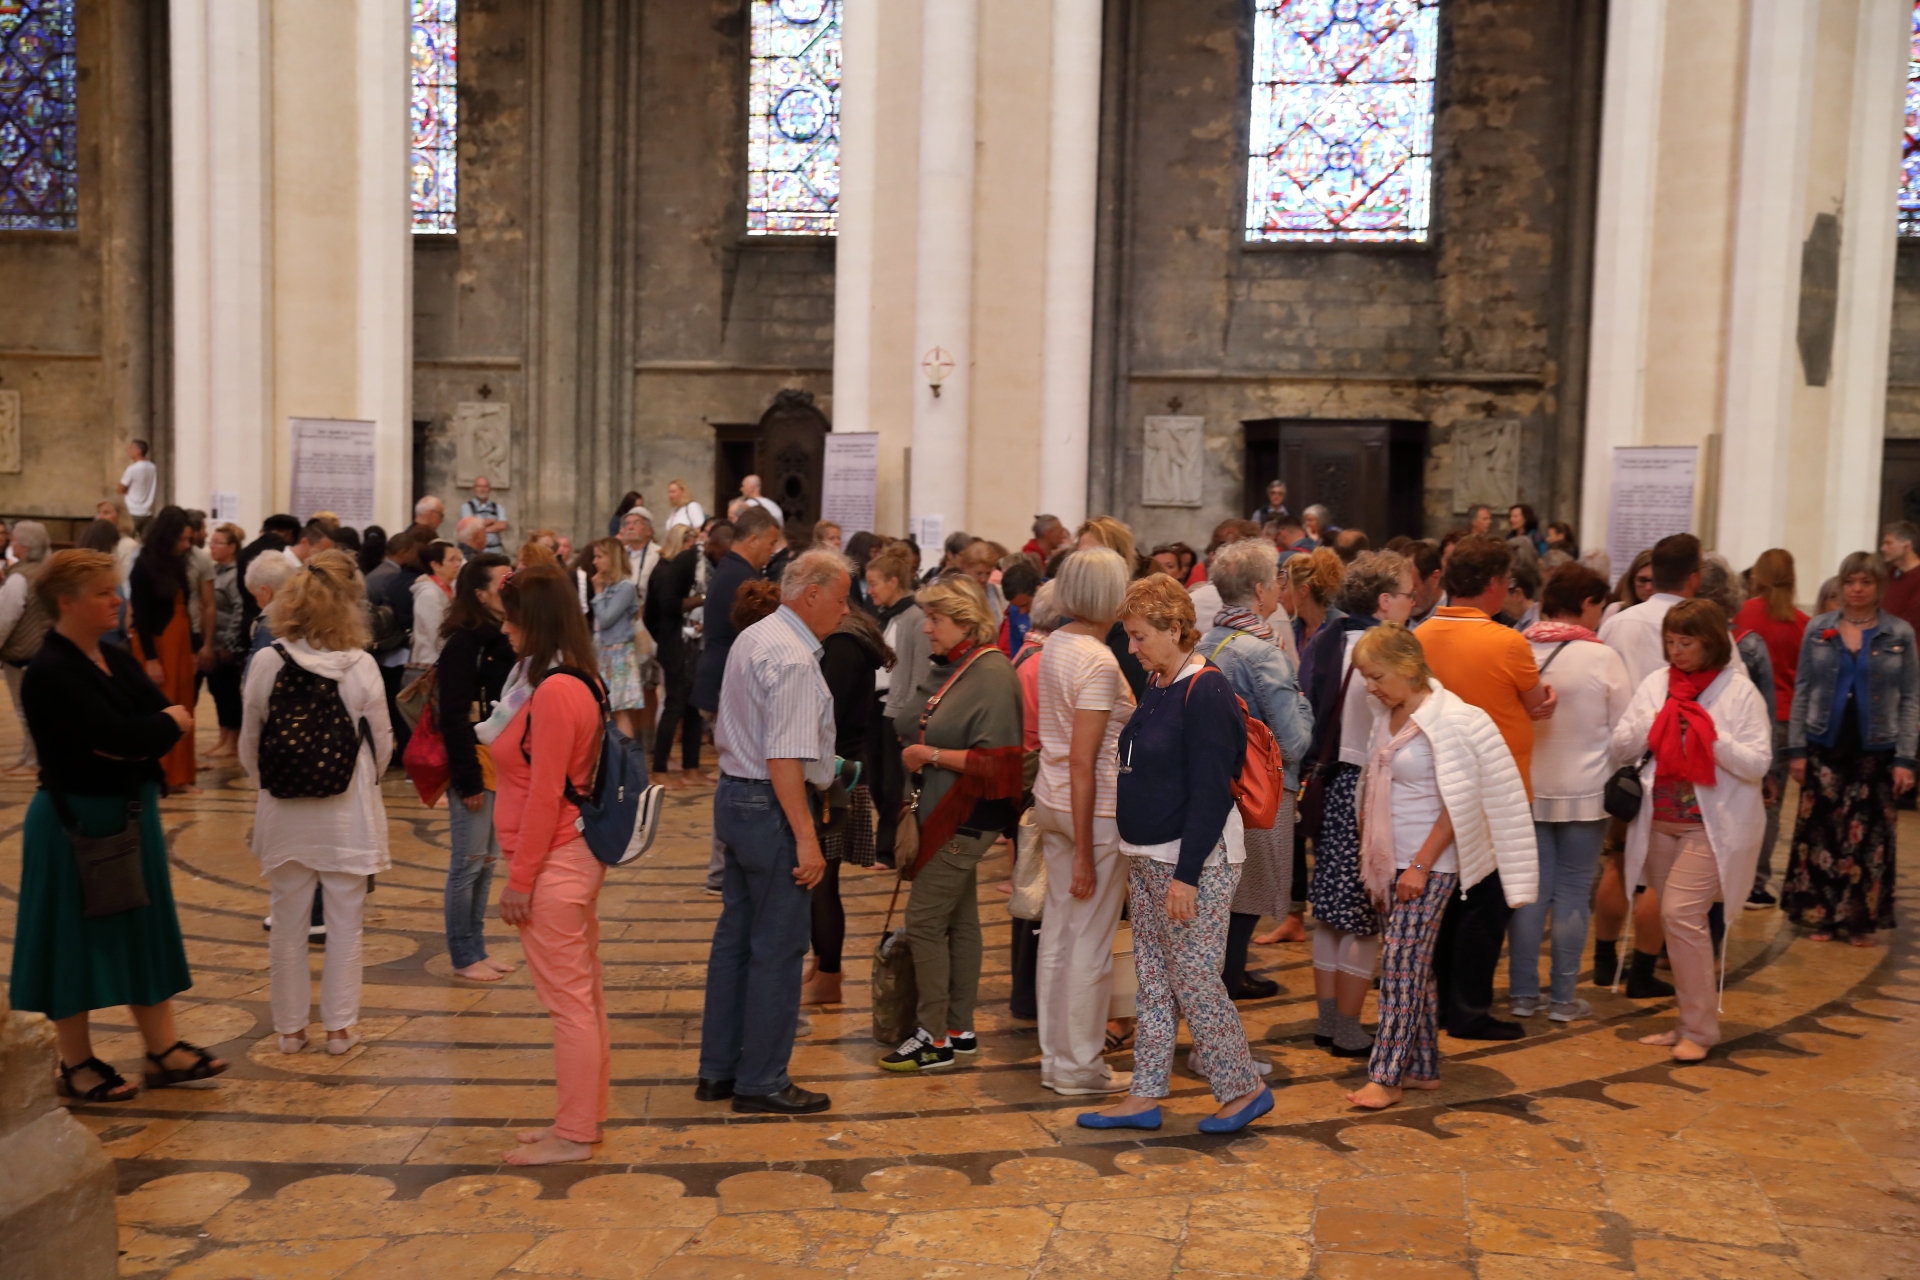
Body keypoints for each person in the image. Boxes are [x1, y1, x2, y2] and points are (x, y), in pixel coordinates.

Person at [9, 550, 227, 1103]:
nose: (117, 601)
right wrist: (147, 730)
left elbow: (155, 719)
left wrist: (144, 731)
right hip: (74, 820)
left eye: (115, 589)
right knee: (70, 942)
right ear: (67, 602)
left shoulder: (113, 656)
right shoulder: (50, 670)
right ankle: (76, 1063)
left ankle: (163, 1049)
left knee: (144, 934)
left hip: (130, 810)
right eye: (105, 592)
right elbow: (130, 733)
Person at [1077, 576, 1271, 1135]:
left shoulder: (1205, 689)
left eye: (1139, 637)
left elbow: (1213, 789)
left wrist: (1186, 876)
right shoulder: (1163, 680)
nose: (1132, 649)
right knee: (1155, 980)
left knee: (1195, 979)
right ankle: (1144, 1095)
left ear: (1174, 629)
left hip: (1195, 863)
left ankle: (1243, 1088)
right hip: (1149, 855)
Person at [1343, 623, 1535, 1109]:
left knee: (1400, 969)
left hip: (1428, 865)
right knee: (1415, 967)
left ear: (1409, 668)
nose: (1370, 685)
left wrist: (1421, 866)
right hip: (1389, 862)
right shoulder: (1384, 711)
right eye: (1366, 676)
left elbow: (1461, 803)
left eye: (1377, 675)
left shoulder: (1454, 719)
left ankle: (1385, 1077)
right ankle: (1423, 1067)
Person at [698, 549, 850, 1115]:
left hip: (735, 796)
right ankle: (761, 1080)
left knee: (735, 940)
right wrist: (806, 839)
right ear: (810, 593)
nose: (844, 610)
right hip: (769, 804)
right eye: (839, 599)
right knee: (780, 948)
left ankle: (719, 1070)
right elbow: (786, 758)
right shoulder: (790, 657)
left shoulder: (755, 636)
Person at [240, 551, 393, 1060]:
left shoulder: (267, 660)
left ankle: (288, 1031)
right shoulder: (362, 665)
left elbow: (249, 744)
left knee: (287, 924)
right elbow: (384, 743)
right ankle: (339, 1030)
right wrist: (362, 778)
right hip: (346, 811)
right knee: (346, 923)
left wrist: (276, 781)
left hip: (285, 814)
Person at [489, 564, 613, 1163]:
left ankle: (573, 1135)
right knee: (581, 998)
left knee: (569, 1005)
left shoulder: (558, 689)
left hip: (555, 862)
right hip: (567, 854)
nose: (506, 630)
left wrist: (519, 879)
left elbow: (546, 793)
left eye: (512, 619)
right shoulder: (564, 676)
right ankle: (582, 1116)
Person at [1406, 534, 1552, 1040]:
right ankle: (1468, 1010)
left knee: (1445, 900)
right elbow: (1536, 702)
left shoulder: (1420, 634)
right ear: (1493, 584)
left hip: (1435, 783)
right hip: (1495, 787)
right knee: (1485, 906)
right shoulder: (1509, 641)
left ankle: (1445, 1004)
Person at [1612, 599, 1771, 1060]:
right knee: (1676, 920)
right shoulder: (1657, 684)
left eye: (1687, 642)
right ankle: (1687, 1021)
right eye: (1671, 642)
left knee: (1681, 914)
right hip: (1659, 821)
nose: (1676, 651)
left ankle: (1700, 1031)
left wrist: (1710, 740)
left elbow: (1759, 762)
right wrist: (1657, 720)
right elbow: (1621, 745)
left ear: (1711, 643)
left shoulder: (1738, 692)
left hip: (1710, 824)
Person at [881, 575, 1024, 1072]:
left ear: (964, 621)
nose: (926, 629)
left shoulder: (992, 673)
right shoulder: (955, 666)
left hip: (965, 816)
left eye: (935, 620)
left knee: (923, 921)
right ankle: (959, 1029)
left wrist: (931, 754)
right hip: (941, 811)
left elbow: (1003, 764)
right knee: (959, 919)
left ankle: (933, 1035)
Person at [1298, 551, 1414, 1055]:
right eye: (1408, 595)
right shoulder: (1384, 648)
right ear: (1385, 600)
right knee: (1366, 917)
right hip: (1367, 787)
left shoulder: (1325, 637)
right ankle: (1347, 1028)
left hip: (1326, 781)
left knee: (1328, 913)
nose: (1412, 605)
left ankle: (1327, 1021)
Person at [1031, 548, 1136, 1094]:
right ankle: (1079, 1068)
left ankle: (1056, 1059)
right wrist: (1080, 854)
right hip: (1090, 815)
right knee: (1090, 943)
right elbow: (1084, 760)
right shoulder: (1098, 660)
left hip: (1052, 802)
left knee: (1059, 936)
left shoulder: (1056, 644)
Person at [1510, 564, 1630, 1021]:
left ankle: (1522, 995)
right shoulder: (1602, 658)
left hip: (1526, 789)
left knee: (1529, 893)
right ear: (1586, 605)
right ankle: (1562, 999)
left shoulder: (1519, 647)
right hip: (1586, 791)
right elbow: (1625, 732)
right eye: (1599, 606)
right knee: (1573, 892)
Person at [1784, 551, 1919, 945]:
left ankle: (1859, 918)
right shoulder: (1819, 628)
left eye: (1865, 582)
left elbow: (1911, 697)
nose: (1856, 590)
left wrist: (1907, 759)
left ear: (1879, 587)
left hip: (1877, 749)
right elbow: (1803, 689)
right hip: (1824, 743)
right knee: (1824, 831)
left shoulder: (1900, 633)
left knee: (1869, 838)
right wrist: (1795, 749)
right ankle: (1823, 914)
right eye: (1849, 582)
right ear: (1840, 585)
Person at [1201, 538, 1315, 1000]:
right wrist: (1304, 702)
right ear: (1261, 589)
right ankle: (1221, 1024)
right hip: (1256, 796)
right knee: (1241, 909)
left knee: (1220, 910)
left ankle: (1217, 1003)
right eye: (1276, 580)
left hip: (1214, 789)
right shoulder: (1263, 652)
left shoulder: (1207, 640)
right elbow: (1293, 742)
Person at [801, 607, 893, 1006]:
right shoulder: (848, 643)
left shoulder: (840, 647)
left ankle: (830, 976)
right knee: (819, 882)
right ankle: (822, 965)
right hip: (839, 770)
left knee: (821, 884)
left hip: (833, 776)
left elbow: (825, 715)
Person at [435, 553, 516, 982]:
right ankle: (463, 955)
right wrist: (465, 778)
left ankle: (477, 947)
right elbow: (454, 717)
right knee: (466, 864)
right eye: (504, 582)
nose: (511, 586)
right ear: (481, 593)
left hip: (499, 764)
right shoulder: (465, 643)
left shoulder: (503, 638)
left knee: (486, 863)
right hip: (474, 768)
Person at [1734, 548, 1809, 908]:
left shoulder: (1740, 615)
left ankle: (1728, 872)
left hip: (1741, 716)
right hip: (1783, 719)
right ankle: (1757, 883)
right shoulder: (1803, 624)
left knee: (1735, 797)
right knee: (1772, 803)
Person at [128, 507, 200, 792]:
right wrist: (151, 658)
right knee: (162, 708)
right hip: (158, 645)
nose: (186, 545)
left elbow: (187, 608)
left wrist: (193, 649)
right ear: (167, 536)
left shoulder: (177, 563)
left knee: (184, 705)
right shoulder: (143, 565)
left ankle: (179, 776)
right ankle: (161, 775)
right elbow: (141, 618)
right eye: (182, 539)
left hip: (180, 643)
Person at [870, 544, 930, 865]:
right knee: (877, 780)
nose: (870, 590)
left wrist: (907, 718)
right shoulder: (889, 617)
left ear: (893, 582)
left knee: (895, 783)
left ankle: (889, 848)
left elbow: (918, 674)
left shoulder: (915, 618)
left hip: (897, 711)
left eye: (875, 583)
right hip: (879, 707)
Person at [692, 505, 779, 714]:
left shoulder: (732, 568)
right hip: (727, 680)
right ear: (753, 540)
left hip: (720, 676)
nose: (773, 550)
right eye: (771, 543)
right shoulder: (739, 577)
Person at [645, 524, 704, 786]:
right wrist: (666, 639)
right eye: (690, 546)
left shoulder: (686, 570)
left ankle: (691, 767)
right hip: (675, 646)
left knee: (694, 709)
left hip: (691, 645)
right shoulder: (663, 570)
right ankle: (659, 769)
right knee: (674, 706)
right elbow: (657, 613)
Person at [0, 520, 54, 771]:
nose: (11, 544)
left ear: (25, 546)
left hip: (22, 651)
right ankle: (27, 755)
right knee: (39, 707)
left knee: (26, 709)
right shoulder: (47, 572)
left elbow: (6, 617)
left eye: (14, 541)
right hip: (45, 649)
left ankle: (33, 759)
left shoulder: (19, 578)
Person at [586, 538, 646, 741]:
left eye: (599, 556)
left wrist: (597, 592)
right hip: (604, 652)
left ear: (612, 558)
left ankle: (626, 762)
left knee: (621, 711)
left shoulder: (625, 587)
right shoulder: (609, 587)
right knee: (603, 710)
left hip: (619, 653)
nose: (595, 562)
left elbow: (605, 619)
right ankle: (609, 760)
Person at [204, 523, 248, 761]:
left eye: (218, 543)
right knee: (217, 690)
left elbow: (238, 610)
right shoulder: (214, 571)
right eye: (211, 542)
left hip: (226, 645)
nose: (212, 547)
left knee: (229, 691)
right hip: (213, 642)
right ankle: (223, 737)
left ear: (232, 547)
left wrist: (229, 644)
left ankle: (233, 740)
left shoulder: (234, 574)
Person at [407, 540, 461, 672]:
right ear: (436, 565)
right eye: (452, 560)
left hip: (445, 661)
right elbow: (437, 637)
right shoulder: (429, 594)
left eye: (458, 560)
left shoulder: (451, 589)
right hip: (430, 665)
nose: (458, 565)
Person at [1878, 520, 1920, 636]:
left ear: (1907, 545)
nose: (1883, 548)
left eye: (1889, 543)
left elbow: (1911, 619)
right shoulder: (1888, 574)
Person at [1602, 548, 1655, 624]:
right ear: (1631, 581)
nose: (1649, 587)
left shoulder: (1674, 615)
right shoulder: (1616, 610)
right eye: (1642, 580)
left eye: (1655, 581)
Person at [460, 476, 508, 553]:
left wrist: (480, 527)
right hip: (475, 552)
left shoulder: (498, 507)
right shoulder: (466, 507)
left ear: (489, 489)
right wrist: (492, 522)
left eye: (485, 486)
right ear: (474, 488)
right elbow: (470, 526)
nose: (482, 489)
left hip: (495, 551)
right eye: (479, 486)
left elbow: (502, 525)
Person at [117, 439, 158, 528]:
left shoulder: (132, 468)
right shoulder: (152, 467)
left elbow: (119, 489)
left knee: (128, 540)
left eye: (131, 448)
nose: (128, 451)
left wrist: (127, 490)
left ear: (138, 451)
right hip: (147, 511)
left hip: (132, 511)